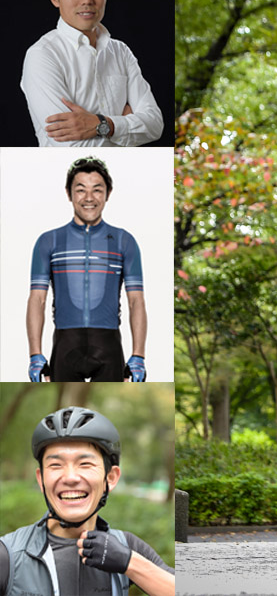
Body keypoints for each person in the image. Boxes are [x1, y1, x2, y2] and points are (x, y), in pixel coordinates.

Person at [0, 406, 175, 595]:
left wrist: (129, 563)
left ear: (111, 478)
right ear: (41, 479)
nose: (70, 477)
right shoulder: (8, 555)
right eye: (55, 465)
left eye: (85, 464)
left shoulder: (126, 545)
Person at [20, 0, 164, 147]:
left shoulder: (120, 52)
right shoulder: (43, 55)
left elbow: (155, 125)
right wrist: (125, 124)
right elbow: (70, 147)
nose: (87, 0)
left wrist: (103, 125)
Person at [27, 157, 147, 383]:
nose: (89, 198)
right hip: (65, 345)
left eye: (97, 190)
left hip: (109, 346)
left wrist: (138, 355)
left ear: (108, 194)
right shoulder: (48, 241)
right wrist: (35, 353)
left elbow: (136, 301)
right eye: (81, 190)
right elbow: (37, 299)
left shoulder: (124, 241)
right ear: (69, 193)